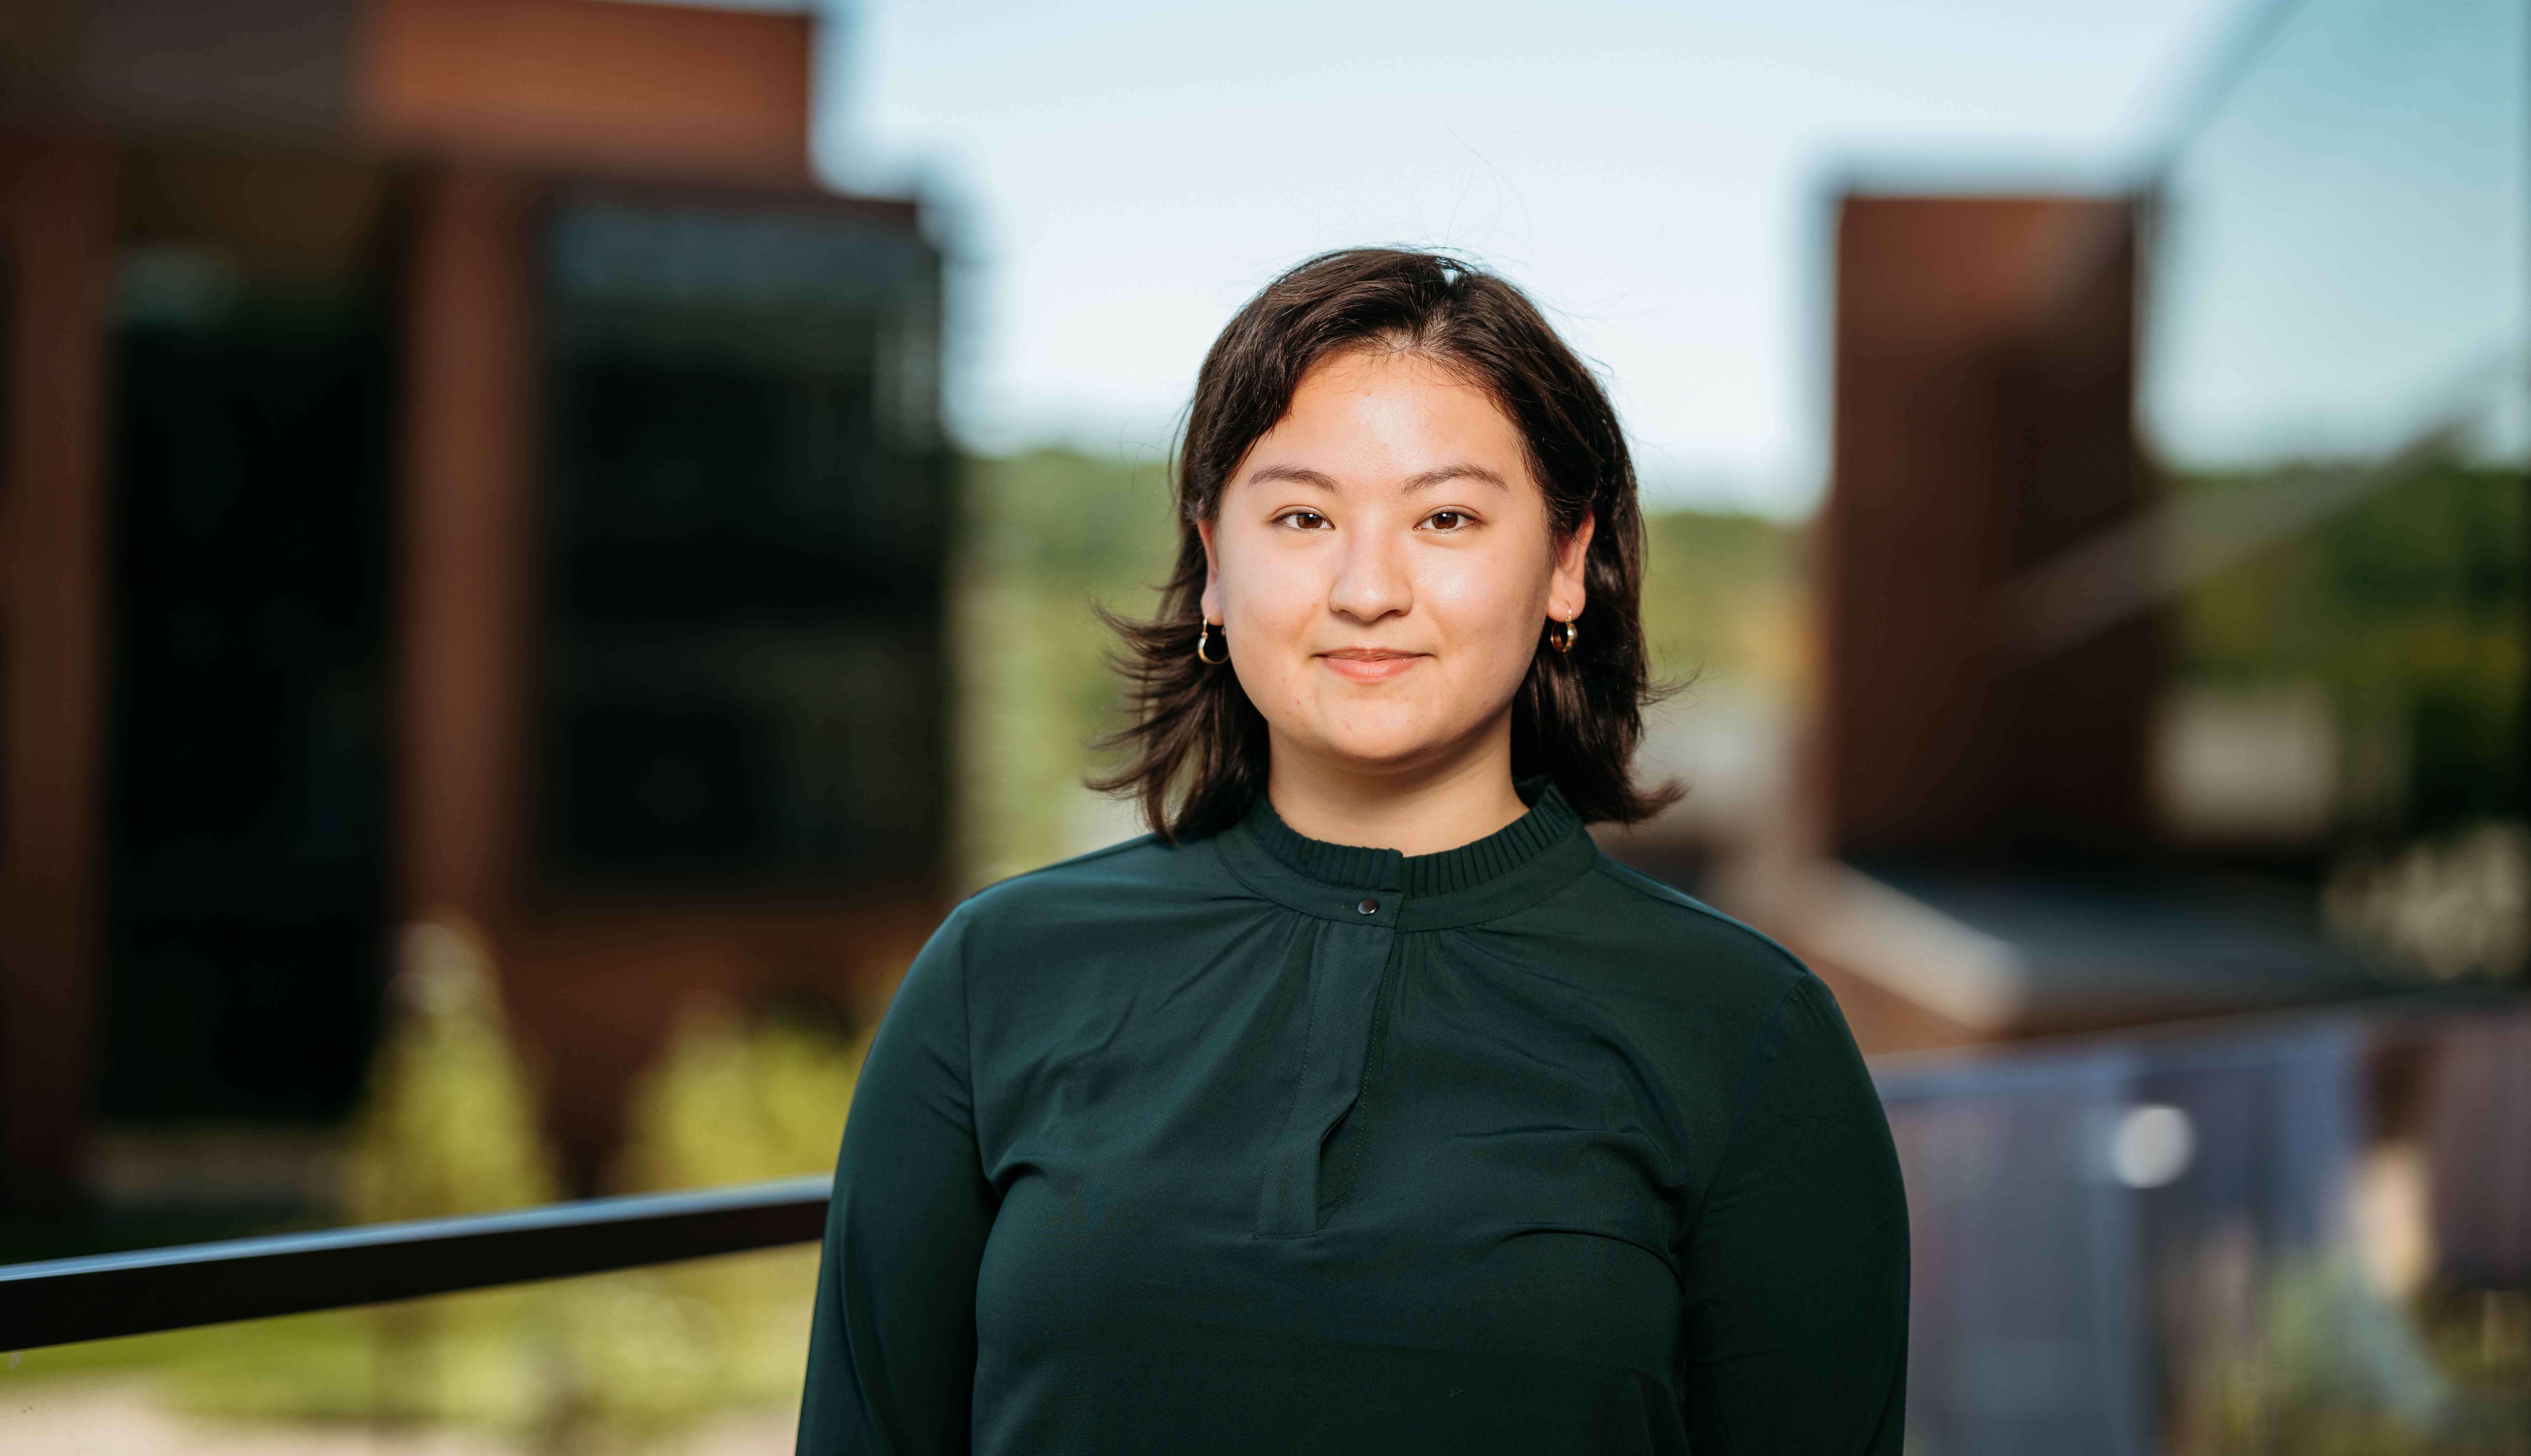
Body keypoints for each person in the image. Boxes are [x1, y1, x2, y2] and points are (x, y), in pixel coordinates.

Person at [796, 248, 1909, 1454]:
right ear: (1216, 561)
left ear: (1566, 562)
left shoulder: (1746, 1027)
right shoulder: (994, 975)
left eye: (1446, 517)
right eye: (1303, 516)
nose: (1368, 587)